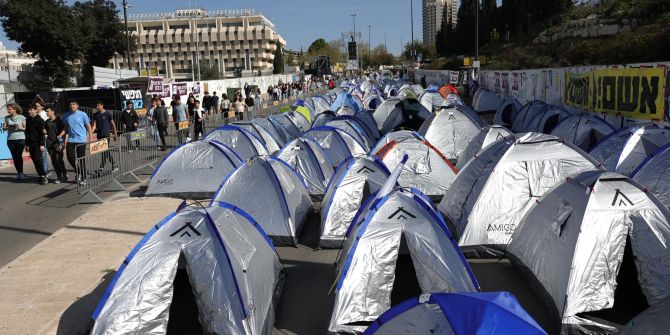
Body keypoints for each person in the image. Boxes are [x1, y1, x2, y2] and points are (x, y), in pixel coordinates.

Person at [63, 100, 93, 185]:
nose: (72, 106)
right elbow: (65, 128)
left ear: (77, 106)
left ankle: (83, 178)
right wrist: (63, 138)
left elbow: (89, 127)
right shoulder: (66, 115)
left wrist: (90, 140)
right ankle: (79, 171)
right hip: (71, 140)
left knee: (81, 159)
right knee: (70, 157)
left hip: (81, 140)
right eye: (70, 104)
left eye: (73, 104)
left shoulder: (83, 114)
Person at [91, 101, 118, 171]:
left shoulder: (108, 114)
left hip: (106, 135)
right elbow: (94, 125)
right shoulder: (96, 115)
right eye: (96, 106)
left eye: (98, 106)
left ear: (102, 105)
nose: (97, 107)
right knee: (105, 151)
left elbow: (113, 124)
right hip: (99, 135)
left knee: (104, 151)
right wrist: (90, 133)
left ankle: (101, 168)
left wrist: (115, 134)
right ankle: (114, 164)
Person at [24, 106, 48, 185]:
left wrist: (42, 144)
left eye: (31, 110)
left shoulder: (40, 120)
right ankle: (40, 175)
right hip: (30, 143)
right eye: (29, 110)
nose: (30, 112)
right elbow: (27, 133)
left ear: (35, 111)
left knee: (38, 159)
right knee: (34, 160)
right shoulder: (28, 120)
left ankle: (44, 175)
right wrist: (27, 144)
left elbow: (42, 133)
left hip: (38, 143)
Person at [3, 103, 26, 180]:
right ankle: (19, 173)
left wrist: (18, 127)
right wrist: (9, 126)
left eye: (9, 109)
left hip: (20, 139)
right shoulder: (6, 118)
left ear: (15, 109)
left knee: (18, 155)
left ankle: (21, 172)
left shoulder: (21, 117)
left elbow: (25, 128)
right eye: (8, 109)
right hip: (10, 140)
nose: (8, 110)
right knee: (15, 157)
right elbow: (4, 128)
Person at [44, 106, 67, 183]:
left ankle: (65, 174)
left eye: (48, 111)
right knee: (53, 160)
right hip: (49, 143)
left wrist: (62, 143)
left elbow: (64, 132)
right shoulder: (47, 122)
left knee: (59, 159)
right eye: (46, 111)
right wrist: (44, 131)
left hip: (58, 143)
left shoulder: (59, 120)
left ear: (53, 112)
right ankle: (59, 176)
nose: (47, 113)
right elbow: (46, 131)